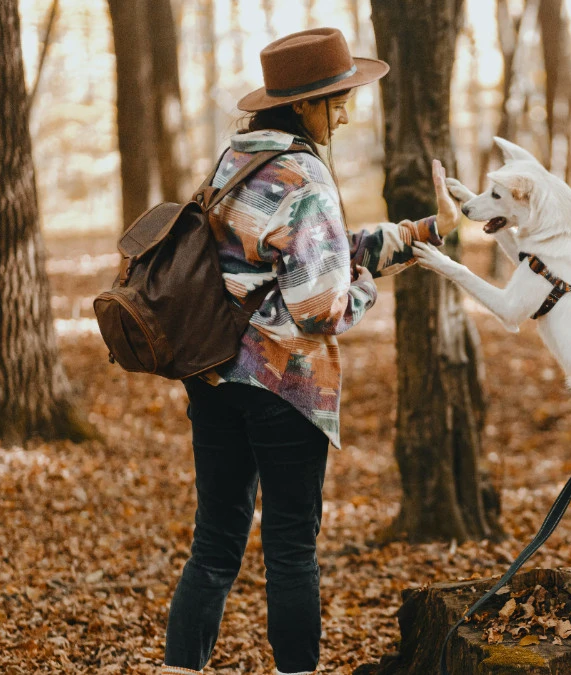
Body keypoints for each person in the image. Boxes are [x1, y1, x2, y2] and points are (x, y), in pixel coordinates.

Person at [159, 28, 461, 675]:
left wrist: (424, 232)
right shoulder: (308, 175)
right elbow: (320, 304)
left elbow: (310, 249)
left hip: (213, 377)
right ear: (304, 105)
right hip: (284, 383)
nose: (346, 110)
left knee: (213, 542)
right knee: (292, 547)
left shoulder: (235, 160)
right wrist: (365, 290)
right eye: (337, 97)